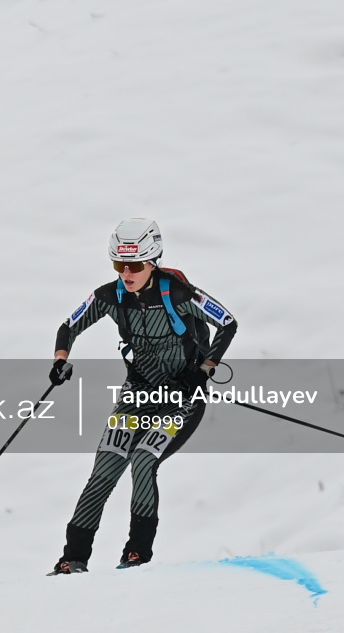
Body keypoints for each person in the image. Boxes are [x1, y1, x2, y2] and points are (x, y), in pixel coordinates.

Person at [47, 218, 237, 575]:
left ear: (152, 262)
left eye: (134, 266)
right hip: (137, 394)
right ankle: (72, 559)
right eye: (119, 265)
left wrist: (204, 370)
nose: (126, 273)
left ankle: (136, 556)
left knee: (144, 459)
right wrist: (60, 361)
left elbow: (227, 322)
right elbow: (68, 326)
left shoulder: (178, 293)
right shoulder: (110, 296)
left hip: (182, 398)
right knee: (105, 467)